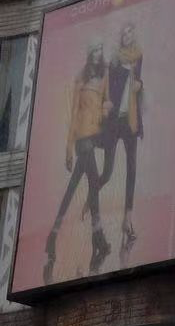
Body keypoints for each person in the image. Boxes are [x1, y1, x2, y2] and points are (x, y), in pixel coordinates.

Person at [46, 39, 111, 283]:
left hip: (96, 136)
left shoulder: (104, 75)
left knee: (75, 186)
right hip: (83, 138)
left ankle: (53, 235)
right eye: (94, 49)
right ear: (89, 53)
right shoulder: (80, 78)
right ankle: (98, 238)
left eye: (99, 49)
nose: (97, 53)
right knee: (91, 185)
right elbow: (74, 112)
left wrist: (105, 109)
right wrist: (68, 148)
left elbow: (107, 102)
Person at [99, 22, 144, 260]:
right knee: (107, 171)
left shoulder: (138, 56)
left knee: (132, 167)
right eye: (124, 32)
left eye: (130, 32)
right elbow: (110, 89)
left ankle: (128, 217)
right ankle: (93, 194)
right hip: (115, 122)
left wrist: (140, 84)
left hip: (131, 120)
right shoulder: (115, 60)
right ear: (121, 37)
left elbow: (139, 82)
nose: (128, 35)